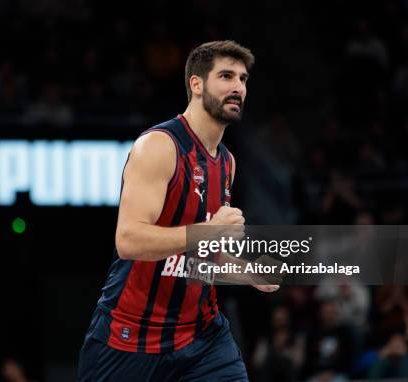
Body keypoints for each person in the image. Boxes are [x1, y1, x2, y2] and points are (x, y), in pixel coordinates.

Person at [77, 40, 278, 382]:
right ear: (196, 84)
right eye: (226, 76)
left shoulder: (227, 163)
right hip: (132, 336)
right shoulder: (159, 146)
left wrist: (246, 272)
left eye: (243, 79)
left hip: (203, 336)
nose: (238, 87)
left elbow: (197, 256)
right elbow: (129, 240)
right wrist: (210, 231)